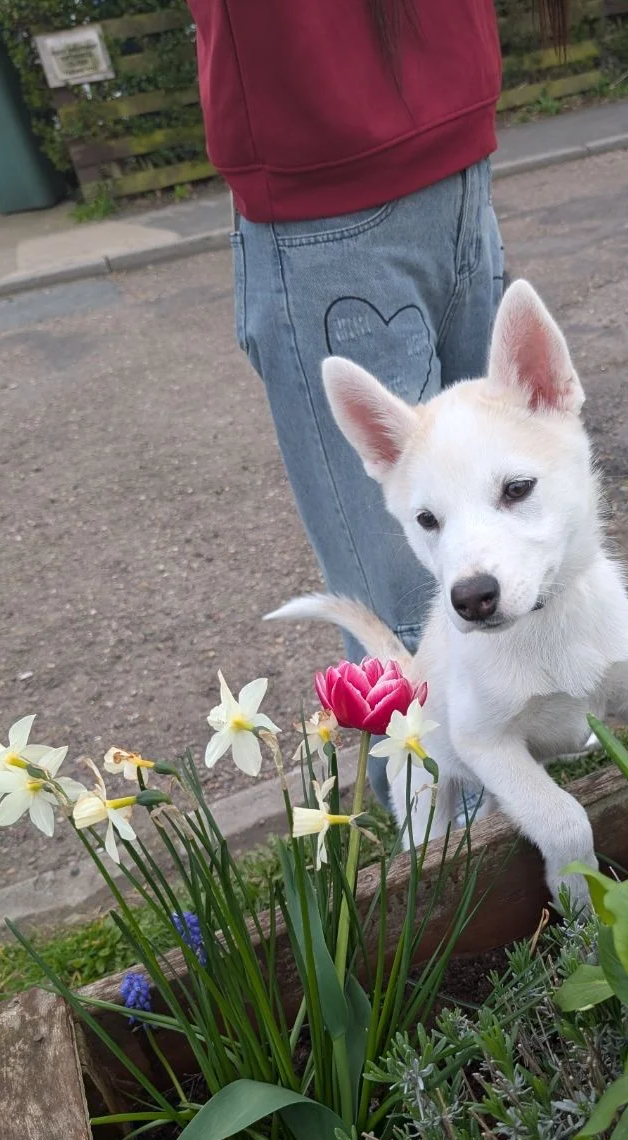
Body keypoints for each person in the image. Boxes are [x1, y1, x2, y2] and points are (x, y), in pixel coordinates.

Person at [186, 0, 568, 660]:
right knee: (450, 603)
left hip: (366, 156)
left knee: (448, 611)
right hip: (409, 149)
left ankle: (512, 757)